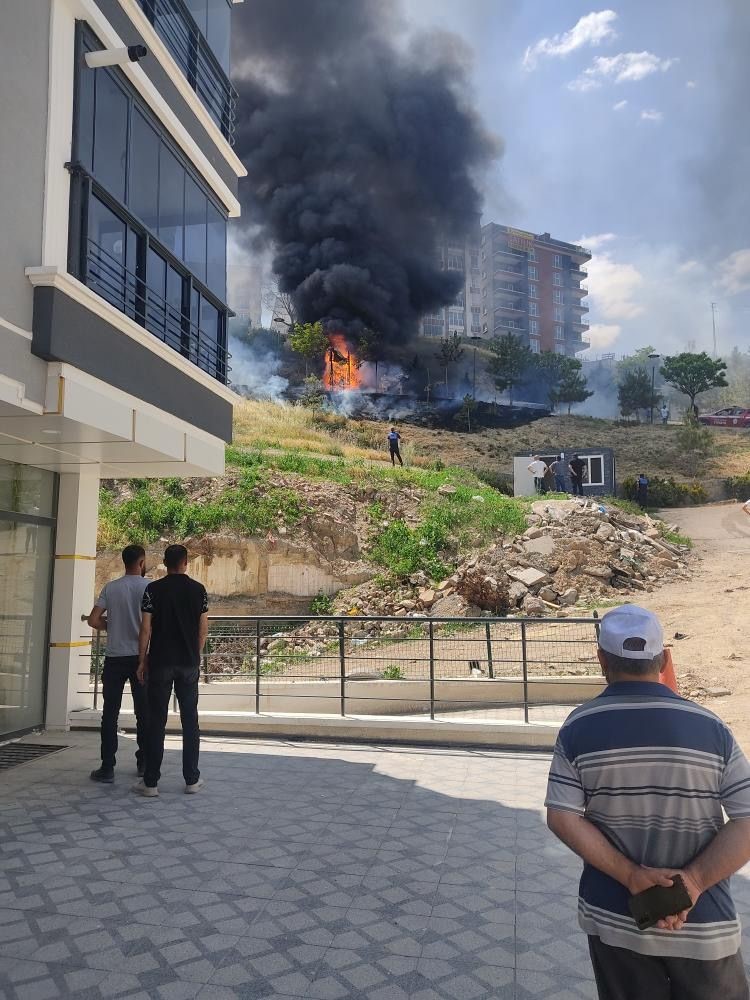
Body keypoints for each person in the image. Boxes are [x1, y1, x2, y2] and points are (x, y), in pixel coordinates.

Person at [545, 605, 750, 1000]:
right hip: (704, 925)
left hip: (617, 920)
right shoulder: (712, 729)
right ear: (663, 657)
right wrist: (692, 883)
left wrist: (631, 875)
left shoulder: (578, 727)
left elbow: (562, 816)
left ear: (601, 659)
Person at [135, 544, 208, 797]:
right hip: (188, 663)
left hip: (160, 663)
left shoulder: (152, 589)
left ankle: (151, 783)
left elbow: (146, 629)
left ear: (165, 563)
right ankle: (191, 780)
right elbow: (202, 629)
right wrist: (195, 656)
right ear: (186, 562)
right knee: (190, 721)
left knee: (157, 721)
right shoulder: (199, 590)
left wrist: (142, 660)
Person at [87, 544, 149, 783]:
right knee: (143, 713)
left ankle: (107, 767)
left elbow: (93, 620)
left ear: (125, 562)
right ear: (141, 563)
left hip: (114, 658)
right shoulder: (150, 587)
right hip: (141, 657)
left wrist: (110, 626)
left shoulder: (111, 588)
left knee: (110, 714)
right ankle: (143, 763)